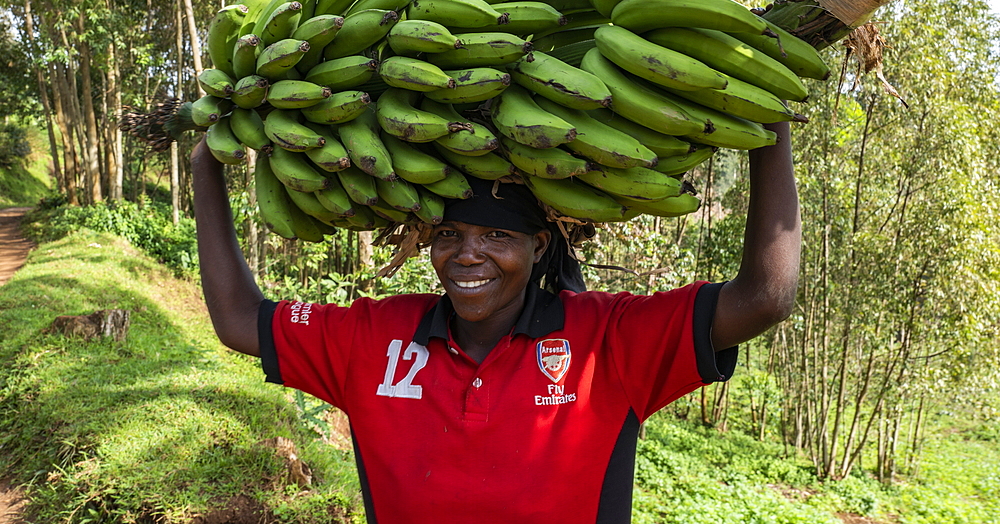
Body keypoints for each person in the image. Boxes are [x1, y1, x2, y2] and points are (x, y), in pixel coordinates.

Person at [191, 119, 800, 524]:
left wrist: (767, 131)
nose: (468, 255)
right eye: (450, 234)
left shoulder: (607, 340)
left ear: (539, 246)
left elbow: (763, 297)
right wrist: (205, 170)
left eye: (498, 236)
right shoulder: (375, 338)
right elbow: (240, 318)